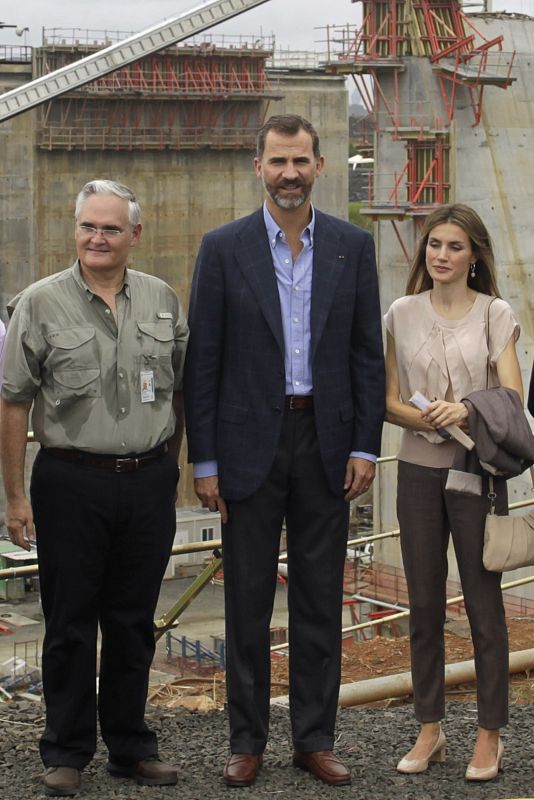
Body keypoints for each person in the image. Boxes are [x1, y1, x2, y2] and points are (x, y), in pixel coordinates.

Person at [184, 114, 385, 788]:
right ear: (259, 167)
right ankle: (246, 742)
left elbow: (366, 354)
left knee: (319, 598)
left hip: (326, 442)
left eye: (300, 161)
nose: (289, 174)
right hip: (247, 446)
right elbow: (203, 361)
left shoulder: (352, 247)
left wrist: (365, 446)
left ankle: (314, 739)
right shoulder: (223, 248)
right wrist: (205, 461)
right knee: (246, 600)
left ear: (320, 166)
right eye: (278, 162)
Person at [0, 180, 189, 797]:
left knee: (133, 622)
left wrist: (171, 467)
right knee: (70, 624)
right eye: (88, 227)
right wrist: (15, 497)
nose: (97, 239)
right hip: (71, 481)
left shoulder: (162, 298)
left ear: (135, 234)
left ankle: (131, 748)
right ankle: (66, 751)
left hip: (147, 481)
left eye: (110, 228)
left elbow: (181, 389)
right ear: (75, 229)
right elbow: (13, 402)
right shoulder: (40, 303)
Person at [384, 204, 523, 782]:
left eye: (455, 246)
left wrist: (463, 409)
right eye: (434, 244)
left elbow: (512, 396)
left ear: (474, 256)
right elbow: (388, 399)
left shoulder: (494, 313)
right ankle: (430, 728)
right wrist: (424, 419)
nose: (441, 255)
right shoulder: (401, 312)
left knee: (483, 605)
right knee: (423, 605)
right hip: (416, 470)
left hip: (474, 470)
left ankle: (490, 735)